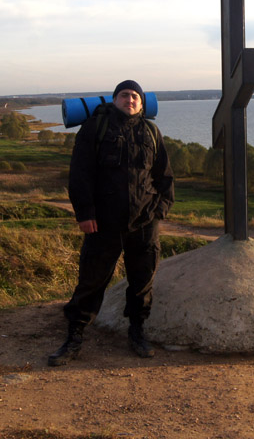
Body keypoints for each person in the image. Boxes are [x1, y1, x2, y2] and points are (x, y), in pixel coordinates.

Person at [48, 80, 175, 365]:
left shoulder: (151, 132)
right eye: (124, 95)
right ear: (114, 100)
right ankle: (74, 337)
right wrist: (85, 213)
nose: (129, 100)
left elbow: (164, 176)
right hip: (103, 222)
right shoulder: (95, 128)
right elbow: (80, 174)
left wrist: (160, 211)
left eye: (135, 96)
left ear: (142, 104)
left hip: (143, 222)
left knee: (142, 281)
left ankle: (137, 331)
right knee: (92, 281)